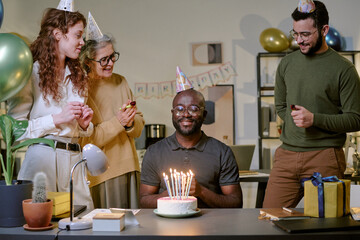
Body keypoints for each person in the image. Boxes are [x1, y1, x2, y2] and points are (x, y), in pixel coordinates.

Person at [263, 0, 360, 208]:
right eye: (295, 33)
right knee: (268, 220)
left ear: (324, 30)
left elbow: (355, 119)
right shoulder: (287, 64)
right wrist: (296, 122)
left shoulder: (344, 69)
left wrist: (314, 119)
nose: (299, 40)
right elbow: (281, 106)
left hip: (325, 157)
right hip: (286, 157)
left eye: (305, 34)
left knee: (325, 228)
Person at [7, 2, 95, 209]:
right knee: (41, 223)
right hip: (42, 163)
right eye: (78, 35)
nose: (82, 42)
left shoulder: (78, 77)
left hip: (74, 160)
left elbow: (82, 130)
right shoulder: (29, 72)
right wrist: (56, 119)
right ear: (57, 34)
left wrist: (84, 125)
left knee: (82, 222)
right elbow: (14, 131)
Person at [79, 13, 145, 209]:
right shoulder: (81, 88)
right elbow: (86, 141)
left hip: (131, 167)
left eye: (112, 57)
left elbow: (139, 125)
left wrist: (131, 123)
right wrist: (118, 122)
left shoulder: (120, 81)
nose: (110, 63)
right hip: (102, 173)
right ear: (88, 61)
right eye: (104, 59)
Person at [140, 88, 242, 208]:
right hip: (167, 224)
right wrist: (169, 195)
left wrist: (201, 192)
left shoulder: (222, 152)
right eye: (179, 109)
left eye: (193, 109)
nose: (186, 114)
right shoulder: (154, 152)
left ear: (204, 115)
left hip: (211, 224)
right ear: (172, 114)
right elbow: (143, 201)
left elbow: (236, 202)